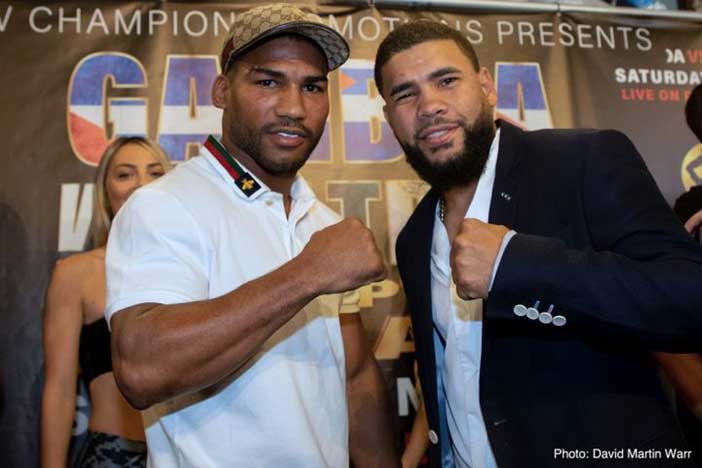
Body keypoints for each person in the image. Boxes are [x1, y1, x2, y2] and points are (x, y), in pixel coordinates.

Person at [375, 20, 702, 468]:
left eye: (446, 80)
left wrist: (516, 263)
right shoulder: (413, 237)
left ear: (486, 86)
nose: (429, 105)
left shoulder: (581, 161)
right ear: (389, 116)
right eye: (405, 94)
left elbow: (690, 298)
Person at [104, 4, 399, 467]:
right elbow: (141, 368)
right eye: (268, 82)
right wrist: (307, 274)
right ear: (222, 90)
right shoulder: (164, 205)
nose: (293, 107)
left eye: (312, 87)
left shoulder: (320, 222)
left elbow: (356, 376)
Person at [41, 137, 172, 468]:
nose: (142, 184)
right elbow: (59, 392)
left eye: (155, 173)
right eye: (125, 174)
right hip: (113, 456)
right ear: (105, 191)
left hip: (185, 454)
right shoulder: (76, 274)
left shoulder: (197, 271)